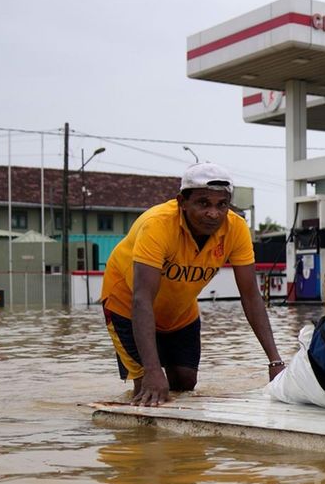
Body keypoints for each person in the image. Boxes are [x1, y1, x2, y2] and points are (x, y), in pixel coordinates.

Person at [100, 162, 284, 406]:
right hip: (126, 305)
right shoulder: (157, 225)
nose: (213, 213)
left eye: (222, 205)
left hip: (180, 310)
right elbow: (141, 298)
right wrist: (153, 370)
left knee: (185, 382)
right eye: (203, 203)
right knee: (148, 387)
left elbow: (251, 296)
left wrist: (275, 362)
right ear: (182, 202)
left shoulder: (236, 228)